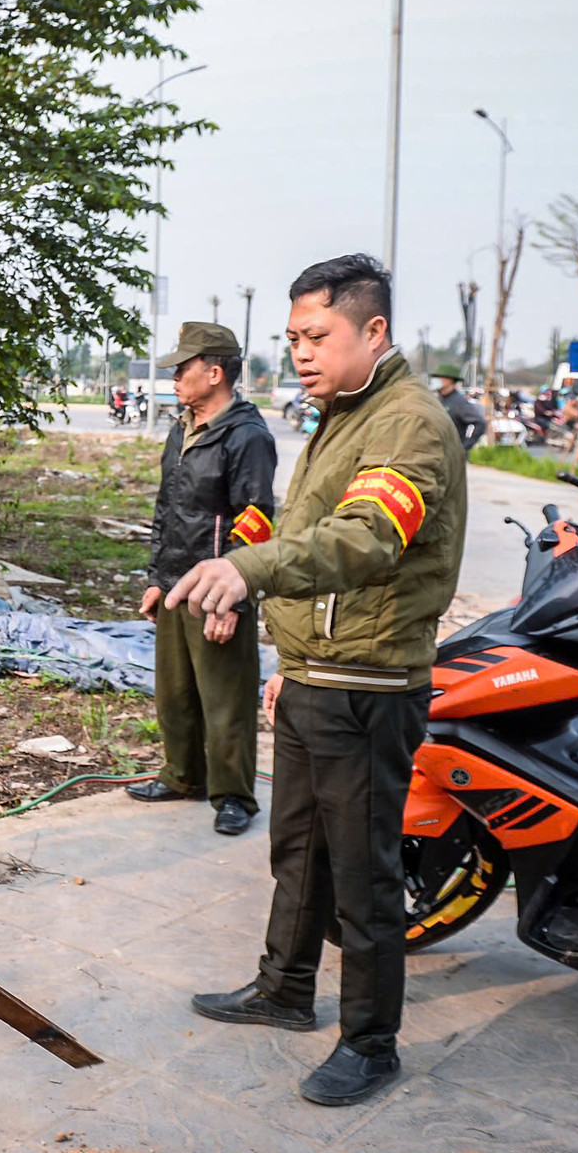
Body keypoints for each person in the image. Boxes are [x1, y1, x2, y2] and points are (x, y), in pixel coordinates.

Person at [165, 253, 466, 1108]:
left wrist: (249, 573)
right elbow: (299, 524)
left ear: (374, 331)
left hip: (368, 685)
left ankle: (371, 1042)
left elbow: (366, 539)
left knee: (363, 872)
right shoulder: (343, 413)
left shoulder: (406, 423)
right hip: (314, 676)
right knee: (297, 849)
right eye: (293, 336)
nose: (300, 352)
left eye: (317, 335)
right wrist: (261, 620)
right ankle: (284, 989)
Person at [126, 321, 276, 836]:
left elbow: (255, 519)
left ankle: (234, 795)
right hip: (176, 584)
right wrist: (156, 578)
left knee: (225, 697)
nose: (173, 378)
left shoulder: (247, 436)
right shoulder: (182, 428)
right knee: (175, 692)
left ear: (214, 373)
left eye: (181, 369)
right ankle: (182, 774)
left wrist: (231, 601)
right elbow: (166, 510)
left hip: (218, 588)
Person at [431, 362, 484, 451]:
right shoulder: (438, 400)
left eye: (439, 377)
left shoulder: (459, 402)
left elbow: (480, 423)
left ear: (449, 380)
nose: (436, 380)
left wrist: (464, 447)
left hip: (453, 456)